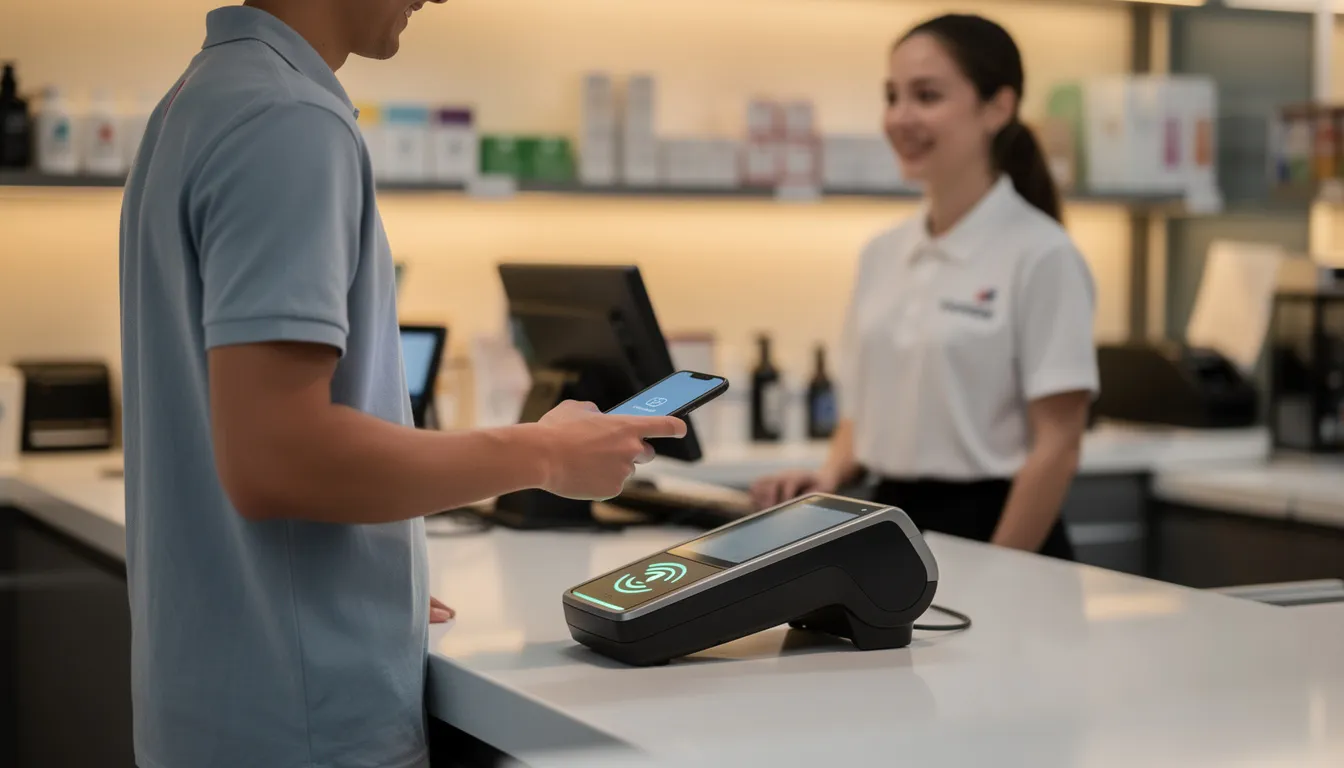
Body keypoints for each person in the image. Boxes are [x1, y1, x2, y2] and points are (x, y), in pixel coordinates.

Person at [118, 2, 686, 767]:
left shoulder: (200, 99)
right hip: (302, 723)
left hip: (222, 700)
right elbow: (279, 459)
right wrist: (542, 456)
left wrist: (367, 575)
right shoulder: (289, 120)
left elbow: (240, 440)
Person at [751, 14, 1098, 561]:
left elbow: (1058, 446)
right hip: (892, 527)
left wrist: (1000, 572)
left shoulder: (1041, 253)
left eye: (926, 95)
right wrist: (824, 478)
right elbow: (860, 417)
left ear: (998, 108)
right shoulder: (882, 254)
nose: (899, 117)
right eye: (892, 96)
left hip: (1002, 532)